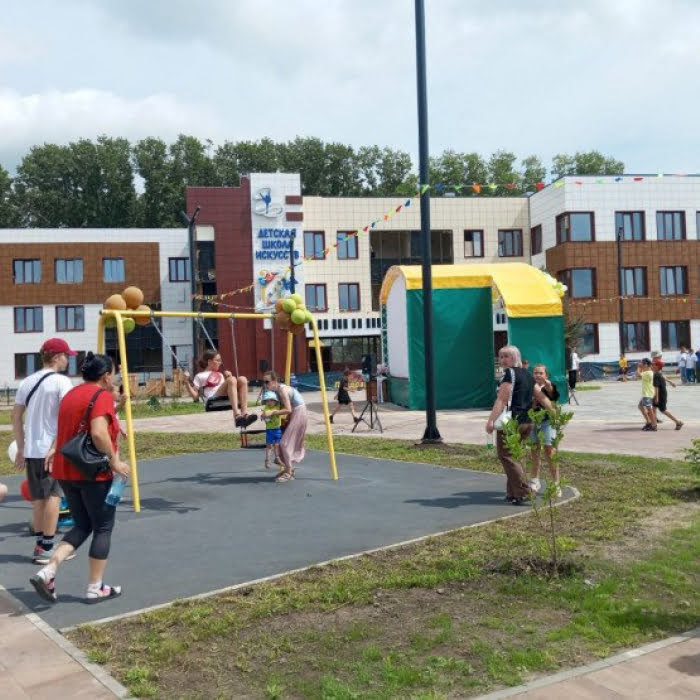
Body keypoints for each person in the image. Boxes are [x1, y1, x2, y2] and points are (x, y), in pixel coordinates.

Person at [29, 353, 130, 604]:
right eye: (114, 373)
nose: (115, 377)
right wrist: (115, 461)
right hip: (92, 472)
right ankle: (95, 587)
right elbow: (97, 433)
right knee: (103, 527)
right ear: (106, 377)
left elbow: (70, 427)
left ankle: (49, 570)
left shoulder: (72, 394)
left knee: (83, 525)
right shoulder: (102, 396)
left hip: (66, 470)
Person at [12, 338, 76, 563]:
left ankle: (41, 545)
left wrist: (21, 447)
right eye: (66, 355)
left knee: (39, 498)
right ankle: (46, 547)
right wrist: (56, 447)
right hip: (50, 451)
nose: (68, 360)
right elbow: (67, 417)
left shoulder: (27, 382)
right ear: (57, 357)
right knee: (53, 497)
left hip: (32, 450)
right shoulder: (62, 382)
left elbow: (15, 417)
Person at [486, 345, 551, 505]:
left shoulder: (509, 374)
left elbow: (502, 399)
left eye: (506, 356)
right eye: (500, 356)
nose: (502, 360)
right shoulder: (527, 374)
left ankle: (524, 492)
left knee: (506, 456)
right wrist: (553, 411)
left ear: (515, 358)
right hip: (526, 422)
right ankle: (512, 493)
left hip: (512, 422)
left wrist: (491, 421)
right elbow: (541, 396)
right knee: (514, 455)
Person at [183, 350, 255, 427]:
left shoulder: (220, 374)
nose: (220, 363)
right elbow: (195, 397)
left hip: (224, 396)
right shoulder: (200, 376)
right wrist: (186, 382)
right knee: (232, 379)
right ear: (209, 362)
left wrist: (229, 377)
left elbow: (230, 388)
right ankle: (236, 415)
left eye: (220, 361)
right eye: (218, 360)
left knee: (242, 379)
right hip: (212, 399)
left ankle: (244, 414)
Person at [262, 371, 307, 483]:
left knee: (284, 443)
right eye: (264, 382)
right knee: (280, 440)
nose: (265, 384)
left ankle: (289, 472)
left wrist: (271, 413)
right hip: (294, 413)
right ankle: (288, 468)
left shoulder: (281, 390)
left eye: (267, 382)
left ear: (274, 381)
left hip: (298, 412)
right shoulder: (276, 391)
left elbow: (288, 409)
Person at [527, 364, 561, 498]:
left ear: (546, 375)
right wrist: (533, 404)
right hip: (533, 422)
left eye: (541, 373)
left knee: (550, 451)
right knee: (534, 451)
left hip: (547, 422)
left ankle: (556, 484)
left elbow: (554, 396)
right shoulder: (529, 387)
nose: (537, 375)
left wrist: (549, 388)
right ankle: (535, 480)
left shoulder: (549, 386)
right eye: (535, 372)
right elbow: (527, 405)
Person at [652, 363, 683, 430]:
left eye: (654, 365)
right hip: (661, 393)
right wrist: (670, 382)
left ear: (657, 367)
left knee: (663, 410)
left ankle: (678, 422)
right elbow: (663, 377)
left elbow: (656, 387)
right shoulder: (658, 373)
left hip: (660, 395)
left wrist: (656, 398)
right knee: (654, 408)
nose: (652, 366)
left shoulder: (656, 375)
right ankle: (654, 425)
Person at [260, 390, 283, 471]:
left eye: (271, 401)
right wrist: (263, 416)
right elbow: (264, 415)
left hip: (277, 429)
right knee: (269, 446)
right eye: (267, 401)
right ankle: (267, 460)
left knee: (277, 444)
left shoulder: (278, 406)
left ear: (275, 400)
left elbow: (281, 410)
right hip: (269, 429)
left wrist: (272, 412)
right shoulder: (266, 408)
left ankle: (277, 458)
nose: (269, 402)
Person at [636, 358, 657, 431]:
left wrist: (638, 367)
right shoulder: (648, 372)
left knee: (649, 410)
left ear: (646, 365)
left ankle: (654, 425)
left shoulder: (648, 373)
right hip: (647, 393)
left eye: (642, 363)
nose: (641, 364)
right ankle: (649, 422)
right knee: (640, 406)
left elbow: (638, 375)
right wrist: (641, 368)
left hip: (647, 394)